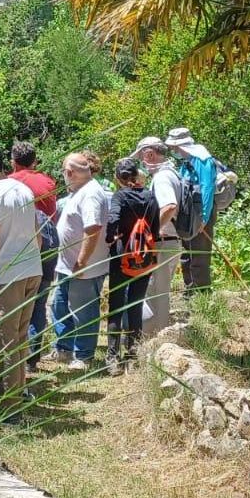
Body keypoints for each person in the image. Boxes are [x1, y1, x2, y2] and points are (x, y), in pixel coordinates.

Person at [0, 141, 43, 412]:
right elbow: (37, 236)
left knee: (6, 341)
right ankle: (17, 393)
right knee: (21, 337)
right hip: (32, 269)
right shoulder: (23, 189)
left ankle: (8, 408)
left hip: (10, 274)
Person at [49, 151, 109, 370]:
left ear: (69, 172)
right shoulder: (80, 191)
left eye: (65, 171)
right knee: (60, 305)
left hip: (84, 267)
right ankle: (64, 348)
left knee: (83, 311)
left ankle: (83, 356)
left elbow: (92, 229)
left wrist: (82, 261)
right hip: (67, 265)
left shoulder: (91, 193)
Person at [104, 158, 157, 376]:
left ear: (118, 178)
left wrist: (110, 237)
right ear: (136, 176)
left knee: (116, 305)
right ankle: (133, 354)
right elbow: (155, 227)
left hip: (122, 257)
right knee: (136, 303)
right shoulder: (150, 195)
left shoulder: (120, 196)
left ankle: (113, 357)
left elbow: (113, 219)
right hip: (144, 257)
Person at [11, 142, 59, 369]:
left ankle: (18, 357)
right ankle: (33, 356)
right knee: (39, 301)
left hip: (26, 242)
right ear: (34, 160)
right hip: (50, 239)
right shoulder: (48, 181)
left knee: (18, 300)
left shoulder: (12, 183)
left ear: (13, 162)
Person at [132, 136, 182, 338]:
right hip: (169, 241)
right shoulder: (173, 173)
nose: (142, 163)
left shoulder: (162, 177)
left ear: (150, 154)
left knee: (154, 295)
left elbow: (169, 206)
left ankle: (154, 342)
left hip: (163, 243)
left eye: (142, 158)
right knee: (158, 293)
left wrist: (149, 233)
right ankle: (156, 340)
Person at [166, 127, 218, 292]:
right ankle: (190, 289)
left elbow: (207, 189)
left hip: (201, 212)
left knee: (199, 254)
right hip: (188, 212)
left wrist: (203, 218)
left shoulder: (203, 160)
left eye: (175, 147)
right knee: (187, 252)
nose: (173, 150)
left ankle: (202, 292)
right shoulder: (186, 162)